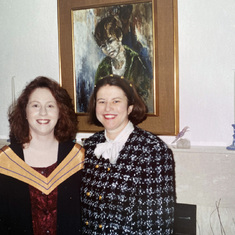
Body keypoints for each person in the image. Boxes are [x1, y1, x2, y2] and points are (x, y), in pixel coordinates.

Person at [81, 74, 175, 234]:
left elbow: (158, 224)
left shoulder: (153, 149)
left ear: (130, 107)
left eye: (116, 101)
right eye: (101, 101)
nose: (107, 108)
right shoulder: (89, 146)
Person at [0, 76, 84, 235]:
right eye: (35, 105)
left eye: (50, 105)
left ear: (60, 112)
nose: (43, 112)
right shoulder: (5, 161)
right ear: (25, 112)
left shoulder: (78, 158)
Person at [94, 15, 153, 112]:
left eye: (110, 41)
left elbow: (144, 93)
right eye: (103, 46)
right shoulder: (103, 68)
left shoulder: (135, 61)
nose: (108, 48)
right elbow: (97, 97)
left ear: (119, 36)